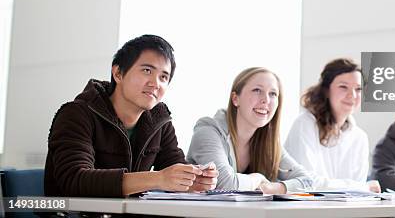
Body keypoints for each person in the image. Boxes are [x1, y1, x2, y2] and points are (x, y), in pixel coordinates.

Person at [44, 34, 218, 197]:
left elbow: (172, 166)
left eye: (164, 77)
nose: (155, 83)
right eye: (147, 71)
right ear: (118, 73)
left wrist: (193, 181)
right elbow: (74, 180)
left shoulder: (160, 120)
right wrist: (158, 178)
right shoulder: (76, 114)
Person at [187, 67, 313, 194]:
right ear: (235, 99)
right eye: (257, 90)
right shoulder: (208, 131)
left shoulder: (269, 142)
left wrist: (269, 188)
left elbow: (308, 181)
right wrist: (257, 179)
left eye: (273, 93)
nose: (266, 100)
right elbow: (225, 184)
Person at [285, 58, 380, 192]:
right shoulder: (305, 124)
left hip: (343, 211)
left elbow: (358, 193)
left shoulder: (360, 137)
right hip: (305, 209)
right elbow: (305, 182)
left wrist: (360, 188)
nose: (352, 95)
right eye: (343, 87)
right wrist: (361, 187)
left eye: (358, 89)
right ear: (326, 90)